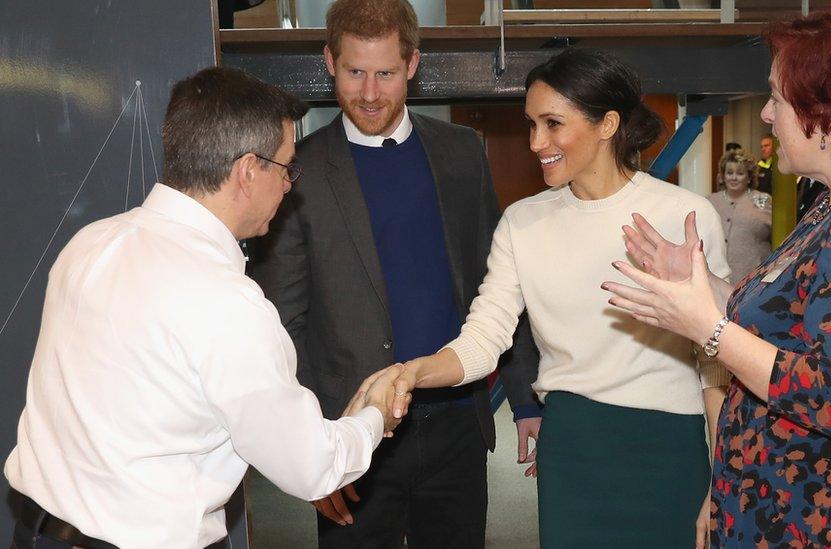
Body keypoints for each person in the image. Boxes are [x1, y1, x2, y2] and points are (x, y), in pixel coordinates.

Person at [4, 67, 402, 549]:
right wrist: (375, 417)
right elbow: (311, 466)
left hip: (37, 530)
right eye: (286, 168)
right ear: (248, 171)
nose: (288, 186)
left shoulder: (89, 244)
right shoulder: (226, 302)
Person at [605, 9, 831, 547]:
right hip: (796, 498)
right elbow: (791, 318)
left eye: (778, 98)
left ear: (829, 111)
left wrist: (708, 329)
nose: (767, 114)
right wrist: (704, 287)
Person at [382, 49, 732, 548]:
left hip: (670, 448)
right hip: (572, 448)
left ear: (607, 124)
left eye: (552, 124)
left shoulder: (685, 216)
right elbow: (485, 337)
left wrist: (723, 476)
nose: (535, 143)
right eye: (531, 125)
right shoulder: (522, 223)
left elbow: (714, 359)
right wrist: (412, 372)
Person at [248, 1, 540, 547]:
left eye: (385, 73)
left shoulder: (460, 153)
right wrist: (310, 449)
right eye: (354, 72)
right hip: (351, 432)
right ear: (329, 61)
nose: (370, 92)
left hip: (456, 424)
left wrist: (525, 399)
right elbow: (284, 325)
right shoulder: (296, 173)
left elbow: (498, 279)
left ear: (412, 65)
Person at [707, 150, 771, 283]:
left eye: (740, 173)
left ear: (749, 177)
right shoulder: (709, 201)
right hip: (716, 279)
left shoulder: (764, 200)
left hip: (753, 279)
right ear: (723, 176)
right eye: (729, 173)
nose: (734, 178)